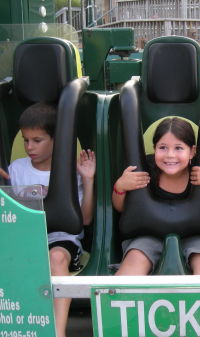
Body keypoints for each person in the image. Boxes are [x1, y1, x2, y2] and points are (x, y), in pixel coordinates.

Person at [1, 102, 96, 337]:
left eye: (37, 140)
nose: (29, 147)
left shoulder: (69, 172)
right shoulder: (16, 169)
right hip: (24, 236)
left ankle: (58, 330)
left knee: (56, 257)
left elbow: (85, 218)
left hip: (61, 237)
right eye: (25, 140)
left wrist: (88, 180)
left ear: (56, 140)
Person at [112, 117, 200, 275]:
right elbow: (121, 207)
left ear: (192, 151)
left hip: (198, 236)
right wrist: (120, 186)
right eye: (163, 147)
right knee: (135, 260)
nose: (170, 155)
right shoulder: (145, 169)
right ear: (154, 148)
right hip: (149, 236)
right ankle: (122, 297)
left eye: (179, 148)